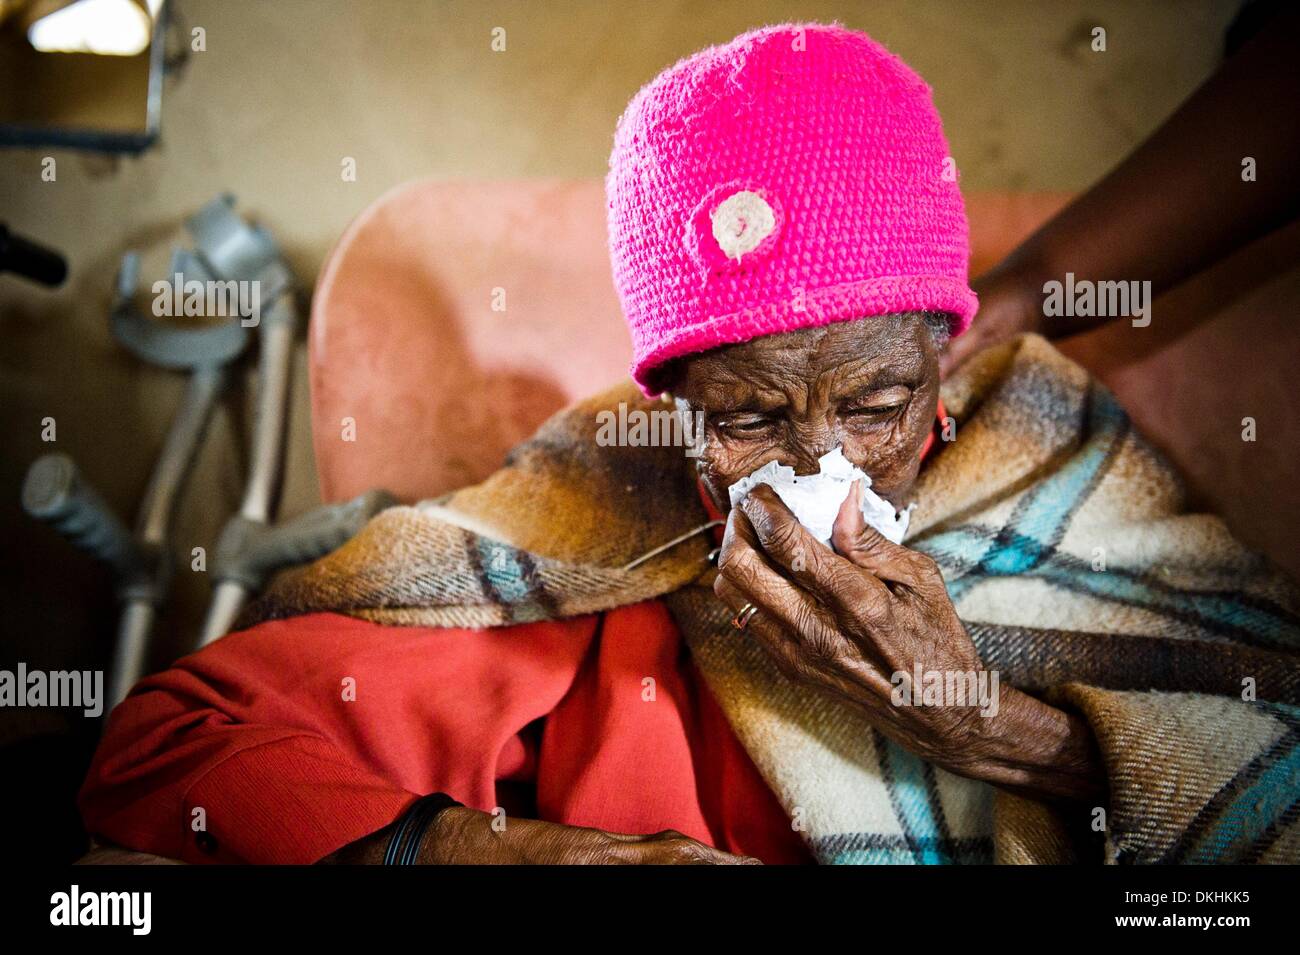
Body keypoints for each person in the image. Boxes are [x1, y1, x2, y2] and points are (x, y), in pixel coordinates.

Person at [79, 21, 1300, 866]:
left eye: (874, 405)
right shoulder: (607, 550)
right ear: (673, 411)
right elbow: (169, 746)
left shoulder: (1060, 464)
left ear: (943, 370)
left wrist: (982, 721)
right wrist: (471, 847)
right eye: (749, 416)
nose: (820, 461)